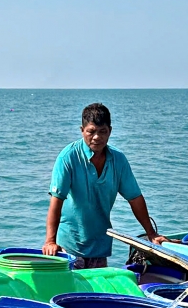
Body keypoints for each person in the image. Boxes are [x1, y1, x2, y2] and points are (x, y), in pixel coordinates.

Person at [43, 102, 166, 268]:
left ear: (110, 131)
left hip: (100, 245)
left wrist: (151, 233)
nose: (97, 137)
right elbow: (56, 202)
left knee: (95, 292)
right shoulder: (68, 158)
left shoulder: (118, 160)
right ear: (82, 130)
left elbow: (135, 198)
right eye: (91, 131)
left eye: (103, 132)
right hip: (70, 245)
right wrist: (50, 241)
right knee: (71, 291)